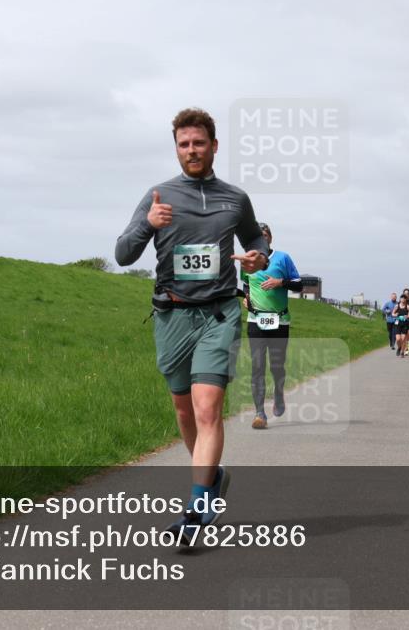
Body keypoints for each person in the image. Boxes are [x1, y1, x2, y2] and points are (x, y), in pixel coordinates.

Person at [115, 107, 269, 537]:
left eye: (199, 143)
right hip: (172, 316)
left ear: (214, 146)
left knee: (207, 408)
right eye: (184, 144)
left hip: (219, 312)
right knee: (184, 411)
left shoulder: (234, 198)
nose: (192, 150)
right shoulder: (158, 196)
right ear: (177, 149)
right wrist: (148, 226)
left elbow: (255, 240)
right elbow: (123, 253)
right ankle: (213, 478)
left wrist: (260, 257)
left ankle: (198, 509)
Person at [241, 222, 302, 430]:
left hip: (280, 320)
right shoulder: (247, 259)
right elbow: (246, 284)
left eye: (265, 234)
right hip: (255, 320)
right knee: (257, 367)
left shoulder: (283, 258)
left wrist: (280, 282)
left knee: (276, 366)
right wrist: (246, 298)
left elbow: (299, 284)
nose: (262, 238)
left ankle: (278, 392)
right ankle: (259, 413)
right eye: (258, 235)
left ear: (270, 238)